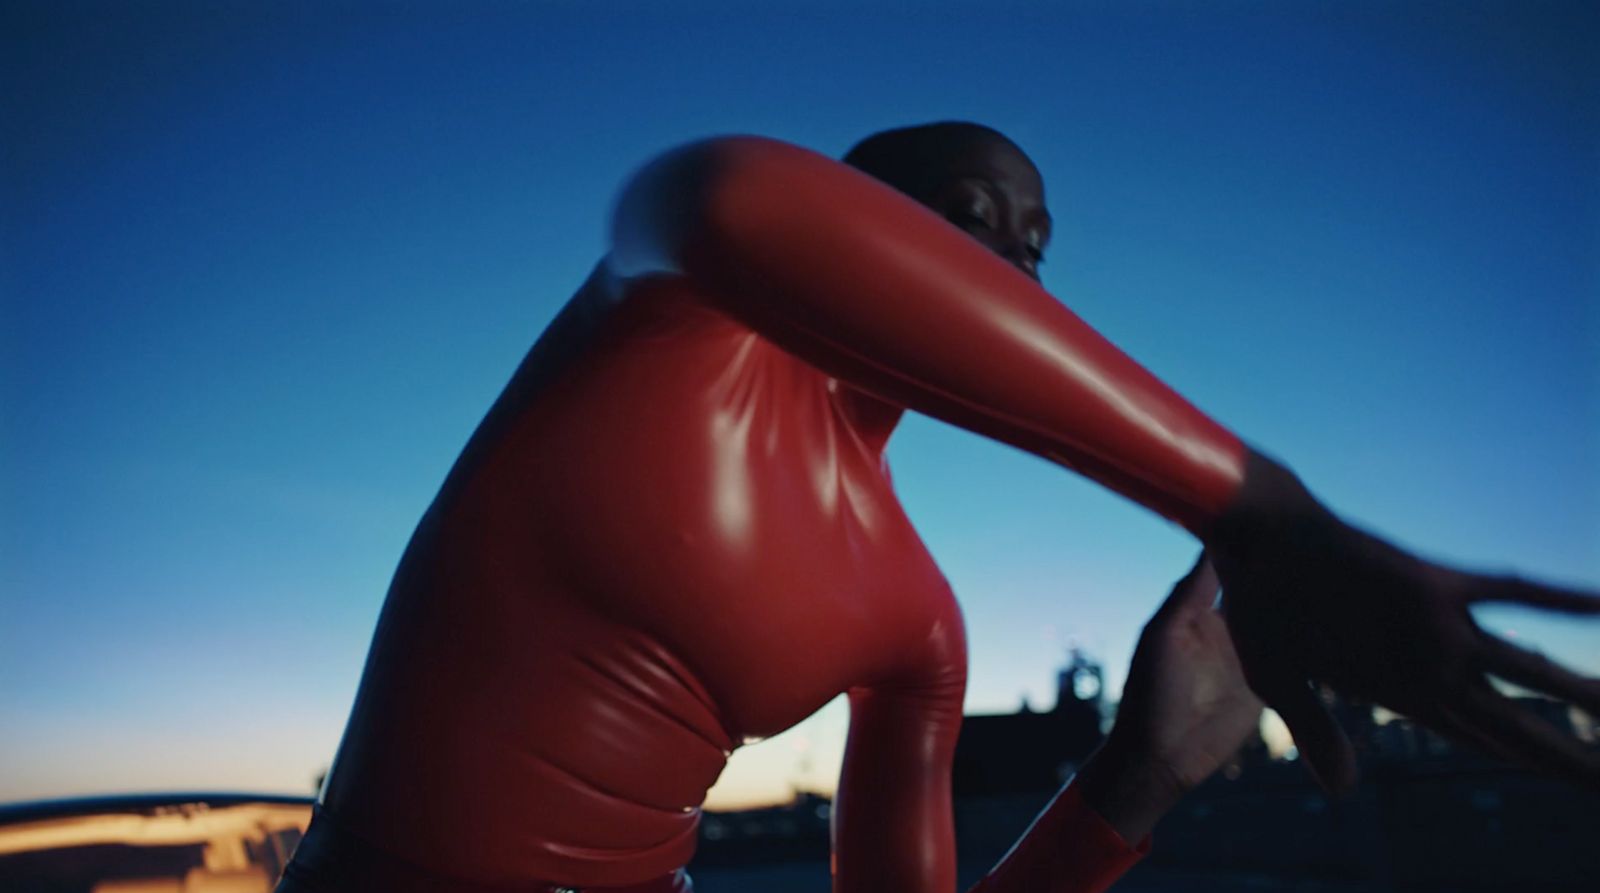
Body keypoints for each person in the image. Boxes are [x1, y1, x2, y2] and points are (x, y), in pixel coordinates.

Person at [276, 123, 1598, 893]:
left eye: (1037, 241)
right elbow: (744, 201)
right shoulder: (671, 300)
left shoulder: (914, 615)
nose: (1018, 261)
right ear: (852, 194)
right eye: (968, 214)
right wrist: (1256, 506)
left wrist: (1130, 779)